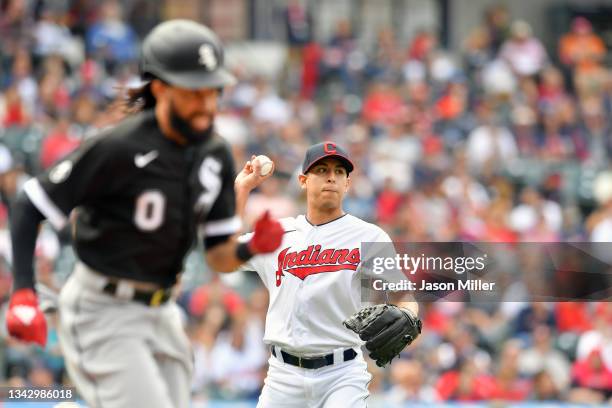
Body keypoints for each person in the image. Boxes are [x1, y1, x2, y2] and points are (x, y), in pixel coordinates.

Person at [5, 19, 284, 408]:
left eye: (213, 91)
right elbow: (29, 203)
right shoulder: (119, 146)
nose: (207, 104)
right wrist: (22, 292)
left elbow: (219, 254)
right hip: (102, 308)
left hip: (161, 311)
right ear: (161, 88)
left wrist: (251, 247)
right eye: (194, 92)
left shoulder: (215, 154)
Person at [231, 141, 422, 407]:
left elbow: (405, 296)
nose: (331, 176)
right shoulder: (277, 234)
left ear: (347, 184)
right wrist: (242, 188)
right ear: (303, 180)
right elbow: (227, 252)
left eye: (339, 171)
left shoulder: (369, 236)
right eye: (321, 170)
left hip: (341, 374)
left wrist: (409, 315)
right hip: (283, 375)